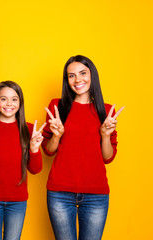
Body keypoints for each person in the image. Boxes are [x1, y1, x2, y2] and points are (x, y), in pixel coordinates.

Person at [42, 55, 124, 240]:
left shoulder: (106, 110)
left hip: (96, 194)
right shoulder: (58, 106)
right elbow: (48, 150)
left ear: (92, 75)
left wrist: (105, 134)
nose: (77, 80)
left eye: (82, 73)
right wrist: (56, 135)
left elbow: (108, 157)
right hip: (60, 193)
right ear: (67, 80)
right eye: (71, 76)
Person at [0, 81, 46, 240]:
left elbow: (35, 169)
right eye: (3, 99)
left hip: (17, 200)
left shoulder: (29, 129)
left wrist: (34, 149)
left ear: (20, 103)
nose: (9, 104)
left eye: (14, 99)